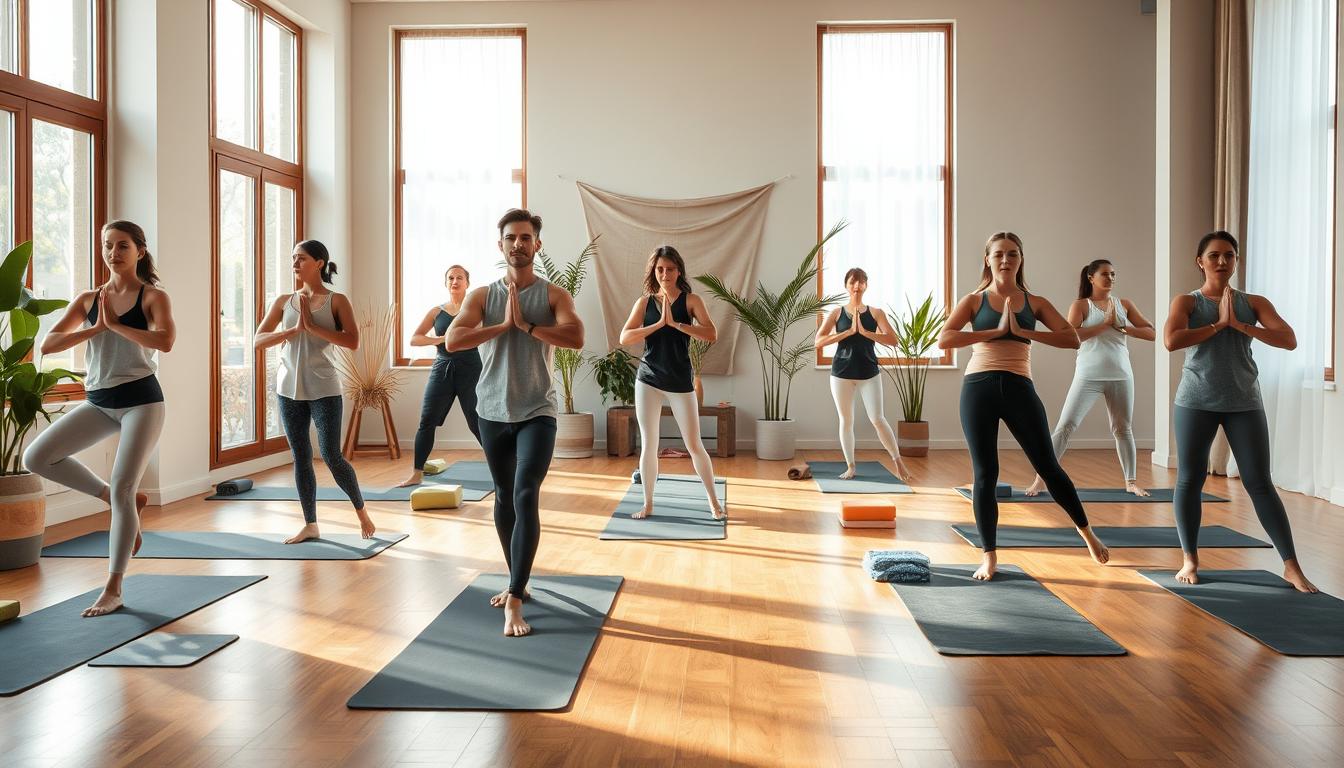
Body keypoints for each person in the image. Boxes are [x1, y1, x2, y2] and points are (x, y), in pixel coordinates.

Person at [937, 232, 1110, 581]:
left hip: (1019, 387)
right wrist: (993, 331)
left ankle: (1086, 532)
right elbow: (945, 339)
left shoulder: (1035, 302)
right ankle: (989, 556)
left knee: (1048, 466)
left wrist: (1024, 331)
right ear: (988, 259)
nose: (1005, 260)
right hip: (978, 388)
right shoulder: (973, 300)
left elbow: (1070, 338)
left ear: (1020, 259)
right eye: (998, 254)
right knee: (985, 474)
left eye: (1012, 254)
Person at [25, 220, 174, 616]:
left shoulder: (152, 297)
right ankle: (109, 496)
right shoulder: (90, 299)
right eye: (107, 246)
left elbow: (166, 341)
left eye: (122, 246)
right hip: (99, 401)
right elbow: (49, 343)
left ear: (139, 251)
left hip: (142, 401)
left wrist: (118, 326)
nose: (113, 253)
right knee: (36, 458)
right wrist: (95, 330)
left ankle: (114, 586)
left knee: (125, 485)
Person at [448, 209, 585, 636]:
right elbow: (453, 340)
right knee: (504, 496)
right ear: (501, 244)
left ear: (537, 246)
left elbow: (576, 338)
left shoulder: (553, 296)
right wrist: (503, 325)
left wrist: (526, 326)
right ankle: (518, 583)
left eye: (526, 237)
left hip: (536, 411)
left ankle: (513, 596)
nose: (518, 244)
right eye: (511, 237)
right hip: (491, 410)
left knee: (526, 495)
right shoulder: (482, 296)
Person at [1162, 231, 1316, 592]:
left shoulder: (1254, 302)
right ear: (1200, 261)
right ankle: (1190, 558)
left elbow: (1289, 339)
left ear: (1236, 261)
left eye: (1229, 256)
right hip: (1196, 400)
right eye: (1214, 255)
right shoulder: (1187, 301)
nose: (1221, 261)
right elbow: (1171, 340)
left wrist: (1241, 325)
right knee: (1190, 478)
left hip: (1244, 401)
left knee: (1260, 482)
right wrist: (1217, 325)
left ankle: (1291, 566)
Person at [253, 239, 374, 545]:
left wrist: (311, 326)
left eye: (302, 258)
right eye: (293, 258)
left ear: (319, 263)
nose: (295, 263)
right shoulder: (283, 301)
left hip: (324, 388)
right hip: (287, 389)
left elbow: (352, 341)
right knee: (301, 457)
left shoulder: (336, 300)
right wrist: (292, 330)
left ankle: (361, 513)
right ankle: (311, 524)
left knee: (332, 455)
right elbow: (258, 340)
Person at [1023, 259, 1156, 496]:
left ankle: (1131, 482)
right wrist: (1105, 324)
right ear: (1091, 278)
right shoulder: (1081, 306)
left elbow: (1151, 333)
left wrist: (1124, 328)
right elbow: (1071, 337)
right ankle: (1041, 479)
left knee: (1123, 429)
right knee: (1065, 426)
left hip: (1121, 375)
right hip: (1088, 376)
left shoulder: (1124, 304)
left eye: (1114, 274)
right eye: (1105, 274)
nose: (1111, 278)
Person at [618, 246, 723, 520]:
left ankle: (714, 502)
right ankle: (648, 503)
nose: (665, 274)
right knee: (649, 443)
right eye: (660, 269)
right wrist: (658, 324)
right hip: (649, 378)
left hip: (679, 380)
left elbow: (711, 333)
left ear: (679, 271)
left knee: (694, 444)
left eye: (671, 269)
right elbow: (625, 337)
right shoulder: (644, 303)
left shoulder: (691, 301)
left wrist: (676, 324)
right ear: (654, 271)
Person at [813, 267, 912, 481]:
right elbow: (818, 342)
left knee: (877, 418)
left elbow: (893, 340)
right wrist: (847, 332)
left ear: (866, 285)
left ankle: (899, 463)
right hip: (841, 373)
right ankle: (850, 466)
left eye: (860, 282)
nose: (856, 286)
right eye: (852, 282)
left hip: (869, 373)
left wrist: (865, 332)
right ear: (846, 286)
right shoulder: (837, 313)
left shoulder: (876, 313)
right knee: (846, 420)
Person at [398, 265, 482, 487]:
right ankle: (417, 473)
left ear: (467, 283)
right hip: (442, 368)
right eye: (451, 278)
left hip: (471, 368)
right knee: (427, 420)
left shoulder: (475, 309)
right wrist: (443, 339)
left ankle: (502, 467)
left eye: (460, 278)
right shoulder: (436, 312)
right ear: (446, 283)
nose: (455, 281)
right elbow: (415, 339)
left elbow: (490, 335)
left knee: (477, 422)